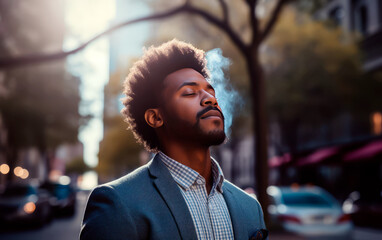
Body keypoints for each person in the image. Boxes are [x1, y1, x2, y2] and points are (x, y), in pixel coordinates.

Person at [80, 39, 268, 240]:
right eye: (189, 93)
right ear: (156, 117)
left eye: (210, 92)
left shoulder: (250, 208)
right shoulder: (118, 204)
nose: (210, 99)